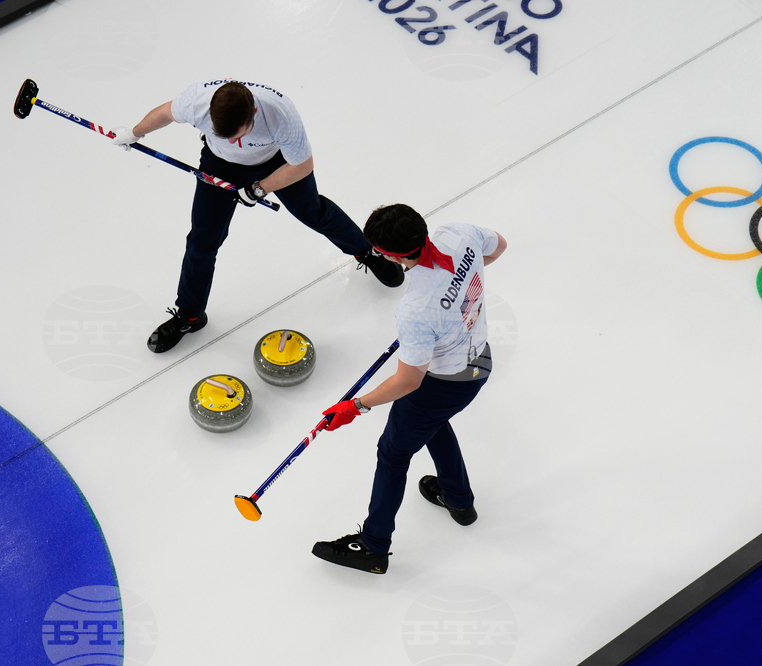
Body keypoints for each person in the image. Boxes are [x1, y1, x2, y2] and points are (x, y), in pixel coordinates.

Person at [111, 79, 403, 353]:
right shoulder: (197, 101)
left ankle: (366, 251)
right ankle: (190, 315)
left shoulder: (281, 114)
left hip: (275, 164)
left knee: (312, 211)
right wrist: (135, 132)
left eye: (239, 134)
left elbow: (301, 166)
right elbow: (165, 112)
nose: (234, 140)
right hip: (219, 165)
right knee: (202, 242)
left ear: (253, 112)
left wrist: (258, 189)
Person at [312, 203, 507, 574]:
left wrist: (355, 406)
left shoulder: (416, 308)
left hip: (442, 383)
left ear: (389, 254)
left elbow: (408, 381)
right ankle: (460, 501)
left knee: (393, 454)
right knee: (430, 422)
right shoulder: (459, 233)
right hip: (479, 360)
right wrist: (453, 300)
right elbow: (499, 247)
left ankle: (372, 545)